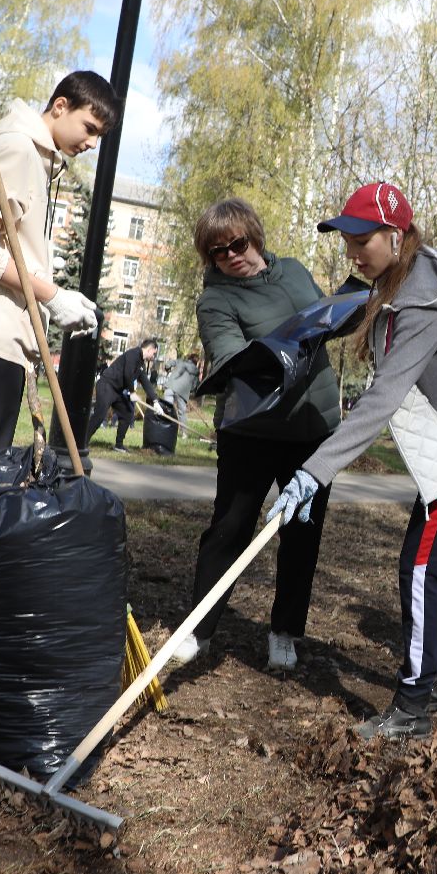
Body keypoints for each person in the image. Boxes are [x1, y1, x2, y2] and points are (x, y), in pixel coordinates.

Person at [268, 182, 437, 739]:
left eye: (362, 241)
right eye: (347, 242)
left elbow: (382, 398)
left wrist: (313, 471)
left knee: (423, 565)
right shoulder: (397, 282)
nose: (352, 253)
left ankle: (411, 707)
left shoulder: (422, 303)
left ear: (396, 236)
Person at [175, 198, 342, 672]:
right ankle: (199, 630)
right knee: (229, 530)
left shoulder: (295, 271)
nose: (231, 256)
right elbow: (233, 357)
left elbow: (327, 317)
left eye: (238, 243)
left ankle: (285, 632)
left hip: (313, 430)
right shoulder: (215, 300)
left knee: (302, 533)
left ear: (255, 236)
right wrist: (292, 342)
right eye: (218, 252)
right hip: (251, 432)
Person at [0, 70, 114, 463]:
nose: (92, 143)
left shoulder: (36, 158)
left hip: (0, 343)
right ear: (60, 106)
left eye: (100, 136)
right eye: (89, 128)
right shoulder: (18, 148)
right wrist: (52, 296)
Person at [89, 338, 157, 452]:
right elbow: (127, 374)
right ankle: (81, 443)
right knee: (99, 415)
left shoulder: (141, 364)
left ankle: (119, 445)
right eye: (154, 353)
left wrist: (155, 401)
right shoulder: (133, 354)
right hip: (107, 385)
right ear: (149, 350)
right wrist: (132, 392)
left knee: (127, 413)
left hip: (117, 391)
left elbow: (145, 382)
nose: (154, 356)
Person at [158, 350, 201, 426]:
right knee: (182, 412)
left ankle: (164, 427)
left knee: (167, 408)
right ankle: (183, 431)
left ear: (189, 358)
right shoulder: (196, 372)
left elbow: (169, 363)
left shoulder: (180, 362)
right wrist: (188, 390)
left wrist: (167, 368)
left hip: (170, 386)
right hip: (182, 392)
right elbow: (194, 386)